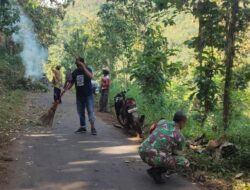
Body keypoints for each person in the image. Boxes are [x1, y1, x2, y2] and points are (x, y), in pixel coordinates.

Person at [138, 111, 190, 184]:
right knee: (184, 162)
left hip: (142, 150)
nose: (184, 124)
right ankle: (156, 171)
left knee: (163, 153)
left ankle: (156, 168)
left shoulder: (162, 122)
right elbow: (177, 154)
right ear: (182, 122)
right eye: (185, 122)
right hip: (152, 157)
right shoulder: (180, 137)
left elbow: (152, 129)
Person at [66, 57, 97, 135]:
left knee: (90, 111)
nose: (77, 65)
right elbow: (71, 83)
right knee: (80, 112)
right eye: (76, 64)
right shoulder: (75, 72)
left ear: (83, 63)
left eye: (78, 64)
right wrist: (67, 85)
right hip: (79, 96)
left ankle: (93, 127)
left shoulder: (88, 69)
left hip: (88, 95)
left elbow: (91, 77)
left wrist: (83, 67)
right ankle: (82, 127)